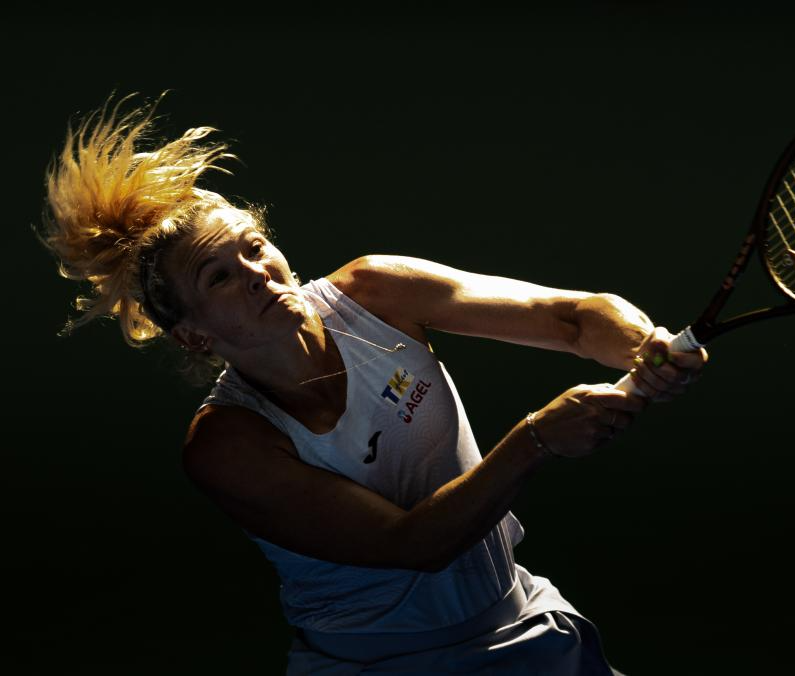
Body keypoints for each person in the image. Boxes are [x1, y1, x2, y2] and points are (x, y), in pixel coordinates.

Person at [35, 90, 708, 675]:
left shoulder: (376, 291)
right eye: (220, 277)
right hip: (382, 666)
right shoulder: (227, 445)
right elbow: (411, 545)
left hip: (522, 623)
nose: (258, 274)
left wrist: (642, 344)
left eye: (254, 247)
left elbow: (571, 317)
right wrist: (535, 439)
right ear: (192, 335)